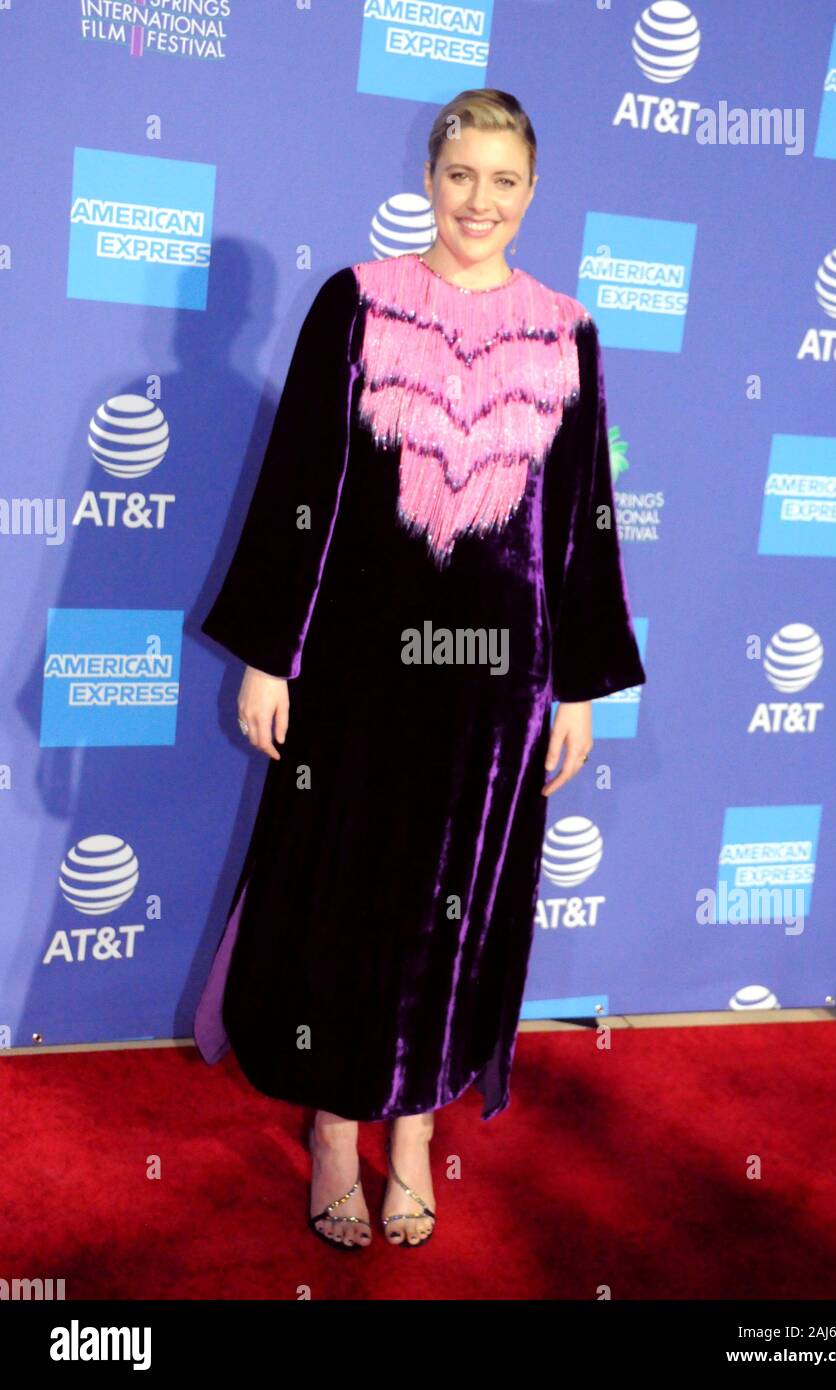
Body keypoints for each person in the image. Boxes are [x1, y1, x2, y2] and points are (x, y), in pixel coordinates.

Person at [193, 88, 646, 1250]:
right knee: (342, 903)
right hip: (355, 668)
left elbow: (579, 520)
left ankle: (414, 1136)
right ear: (429, 177)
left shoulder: (568, 330)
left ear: (531, 192)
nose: (478, 201)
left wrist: (580, 685)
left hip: (495, 685)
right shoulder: (356, 300)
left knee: (458, 914)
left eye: (503, 181)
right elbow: (301, 488)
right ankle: (337, 1130)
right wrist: (270, 658)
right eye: (460, 176)